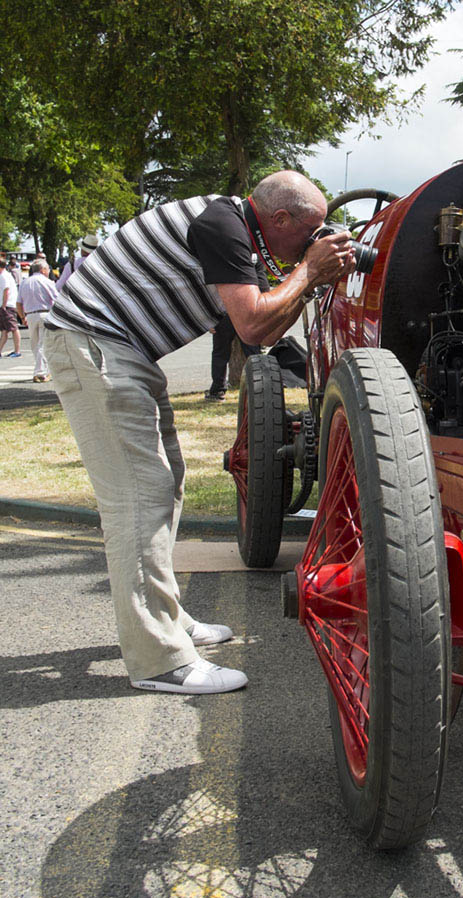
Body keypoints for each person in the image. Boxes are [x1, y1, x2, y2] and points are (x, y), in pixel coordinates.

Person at [43, 171, 356, 695]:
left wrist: (308, 277)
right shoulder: (222, 224)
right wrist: (308, 269)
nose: (312, 241)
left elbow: (267, 331)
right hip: (95, 347)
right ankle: (160, 661)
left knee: (166, 485)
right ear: (278, 219)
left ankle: (168, 622)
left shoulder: (242, 231)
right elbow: (254, 325)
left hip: (118, 351)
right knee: (140, 498)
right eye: (308, 232)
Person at [205, 268, 266, 401]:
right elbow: (263, 284)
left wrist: (210, 318)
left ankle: (217, 390)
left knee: (221, 353)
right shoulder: (254, 258)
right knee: (253, 352)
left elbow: (211, 288)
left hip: (225, 311)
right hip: (247, 311)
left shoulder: (222, 257)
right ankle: (261, 387)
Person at [16, 260, 57, 381]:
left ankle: (42, 370)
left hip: (30, 315)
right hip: (45, 314)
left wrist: (22, 317)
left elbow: (19, 303)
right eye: (48, 269)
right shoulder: (48, 282)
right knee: (43, 344)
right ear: (42, 270)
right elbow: (56, 299)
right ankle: (41, 372)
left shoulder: (25, 282)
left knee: (35, 344)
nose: (49, 271)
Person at [0, 254, 21, 357]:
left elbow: (6, 291)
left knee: (13, 328)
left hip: (7, 305)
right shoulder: (5, 275)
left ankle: (17, 351)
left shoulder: (3, 276)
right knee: (4, 329)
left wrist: (3, 305)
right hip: (7, 305)